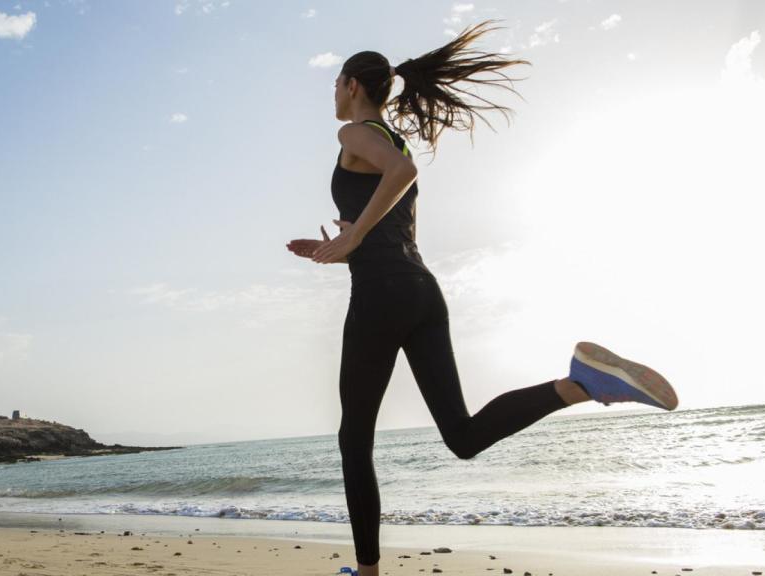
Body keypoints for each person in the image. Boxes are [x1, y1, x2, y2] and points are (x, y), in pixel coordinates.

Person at [285, 19, 679, 576]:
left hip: (382, 296)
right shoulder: (388, 139)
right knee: (463, 437)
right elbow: (395, 228)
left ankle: (368, 573)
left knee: (355, 440)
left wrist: (352, 237)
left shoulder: (355, 136)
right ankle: (581, 383)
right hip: (421, 292)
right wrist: (343, 247)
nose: (332, 93)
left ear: (352, 84)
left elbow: (403, 171)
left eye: (335, 83)